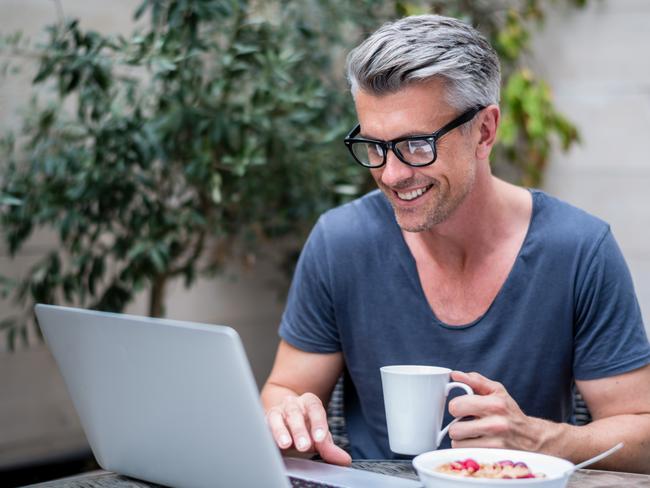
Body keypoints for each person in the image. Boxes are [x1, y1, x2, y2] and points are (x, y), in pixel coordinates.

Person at [260, 14, 650, 473]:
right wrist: (288, 416)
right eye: (374, 146)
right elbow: (284, 389)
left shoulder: (580, 249)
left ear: (484, 131)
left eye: (416, 145)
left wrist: (539, 438)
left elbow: (641, 432)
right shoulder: (340, 241)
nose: (391, 174)